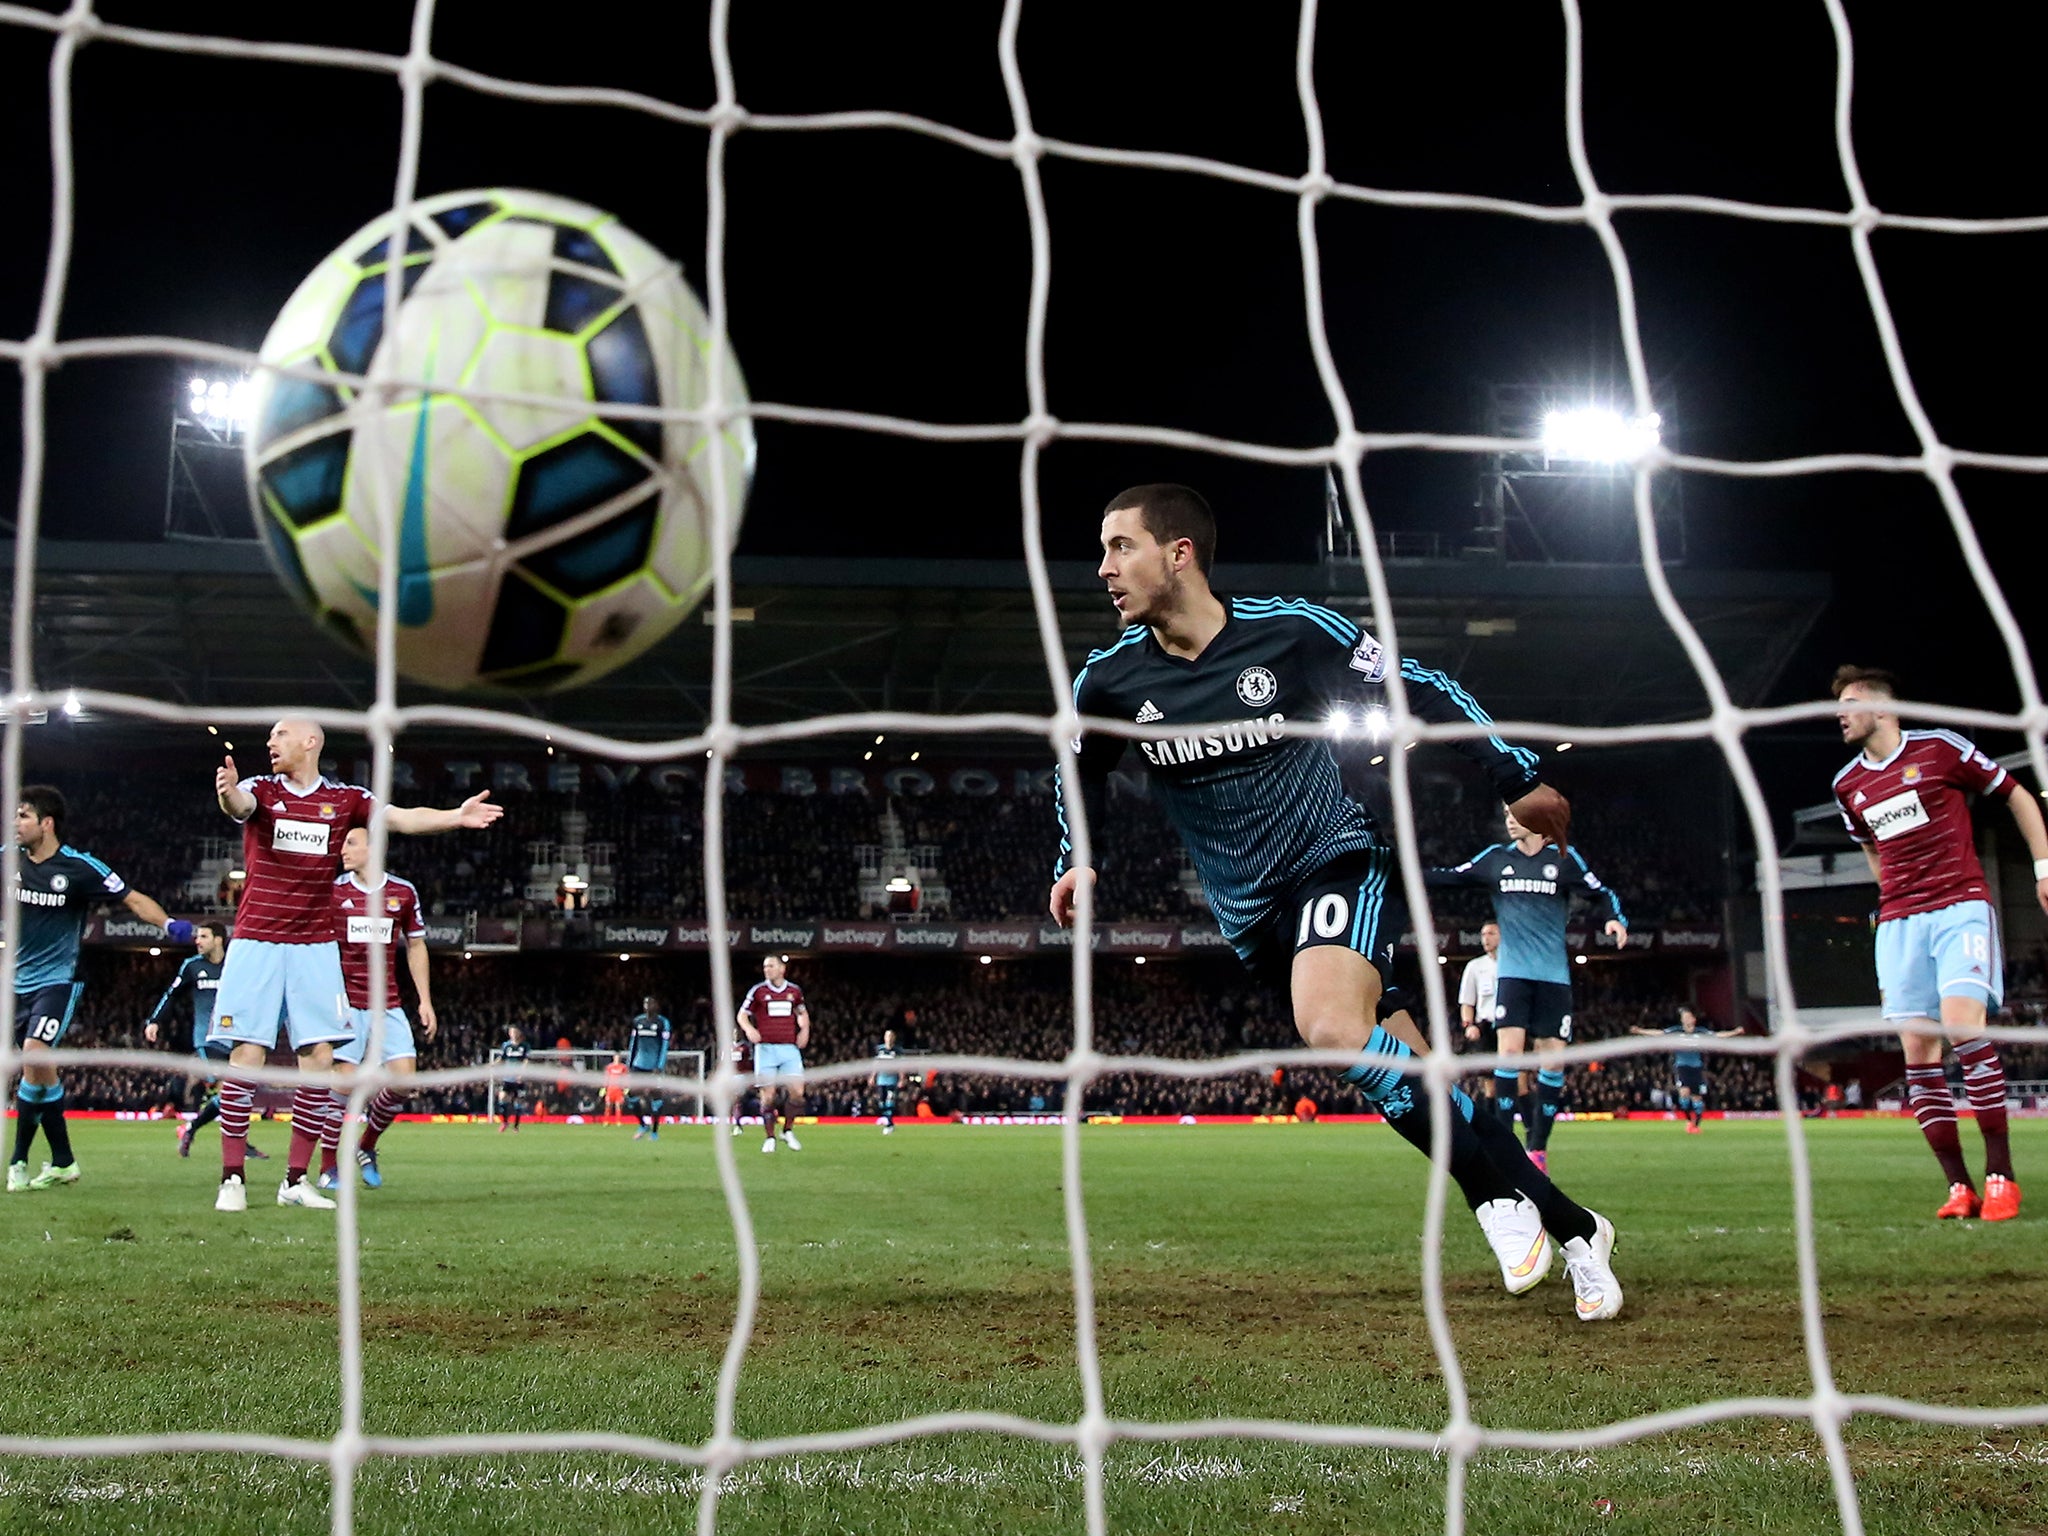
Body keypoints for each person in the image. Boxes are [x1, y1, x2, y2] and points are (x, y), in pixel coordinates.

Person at [1050, 483, 1622, 1320]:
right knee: (1420, 1076)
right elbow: (1079, 772)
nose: (1103, 568)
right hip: (1250, 912)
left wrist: (1516, 775)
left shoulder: (1288, 631)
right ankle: (1573, 1228)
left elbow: (1416, 684)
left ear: (1180, 554)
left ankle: (1499, 1203)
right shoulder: (1108, 683)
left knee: (1328, 1026)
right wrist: (1082, 861)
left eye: (1119, 547)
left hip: (1337, 860)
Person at [206, 717, 502, 1214]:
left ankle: (295, 1180)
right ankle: (232, 1177)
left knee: (320, 1061)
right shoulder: (261, 788)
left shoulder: (348, 801)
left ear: (310, 741)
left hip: (316, 947)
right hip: (256, 940)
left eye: (280, 735)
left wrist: (456, 815)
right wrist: (227, 793)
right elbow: (240, 805)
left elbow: (403, 818)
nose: (270, 742)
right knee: (247, 1056)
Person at [1831, 665, 2046, 1221]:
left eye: (1849, 703)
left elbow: (2017, 796)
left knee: (1963, 1028)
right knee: (1918, 1053)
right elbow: (1872, 849)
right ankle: (1960, 1187)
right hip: (1901, 922)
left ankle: (2003, 1177)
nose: (1840, 714)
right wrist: (1894, 896)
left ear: (1882, 709)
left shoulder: (1941, 750)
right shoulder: (1847, 785)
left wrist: (2044, 869)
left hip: (1960, 906)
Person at [10, 786, 190, 1192]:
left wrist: (167, 926)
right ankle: (63, 1161)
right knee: (41, 1070)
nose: (15, 824)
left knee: (33, 1056)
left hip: (58, 980)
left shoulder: (79, 867)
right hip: (15, 981)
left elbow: (132, 898)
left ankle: (18, 1160)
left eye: (23, 816)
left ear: (46, 823)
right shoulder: (10, 859)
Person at [1426, 810, 1628, 1171]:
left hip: (1553, 977)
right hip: (1513, 977)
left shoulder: (1564, 860)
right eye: (1504, 813)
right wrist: (1398, 870)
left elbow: (1602, 892)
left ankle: (1537, 1148)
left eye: (1516, 813)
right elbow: (1449, 877)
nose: (1508, 819)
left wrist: (1615, 918)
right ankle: (1505, 1147)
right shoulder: (1496, 858)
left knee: (1551, 1062)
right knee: (1509, 1055)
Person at [314, 827, 436, 1191]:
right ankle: (327, 1166)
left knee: (404, 1079)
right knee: (344, 1083)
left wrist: (425, 1000)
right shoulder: (335, 892)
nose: (343, 849)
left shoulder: (402, 892)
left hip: (388, 1004)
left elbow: (416, 946)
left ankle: (366, 1146)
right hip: (347, 1004)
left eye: (351, 842)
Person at [144, 921, 268, 1162]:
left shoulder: (235, 966)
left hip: (235, 1038)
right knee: (230, 1089)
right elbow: (172, 994)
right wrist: (154, 1020)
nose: (197, 941)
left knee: (236, 1093)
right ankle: (232, 1143)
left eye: (203, 936)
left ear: (219, 939)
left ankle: (193, 1129)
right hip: (207, 1039)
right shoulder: (192, 966)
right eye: (197, 936)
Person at [738, 954, 810, 1154]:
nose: (766, 969)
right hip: (766, 1049)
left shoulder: (794, 991)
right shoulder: (758, 991)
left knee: (797, 1093)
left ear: (781, 969)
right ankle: (769, 1137)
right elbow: (742, 1014)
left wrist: (804, 1031)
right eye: (765, 966)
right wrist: (749, 1029)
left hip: (789, 1048)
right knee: (768, 1096)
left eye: (770, 966)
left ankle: (787, 1131)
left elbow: (802, 1013)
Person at [1629, 1006, 1742, 1133]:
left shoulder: (1701, 1032)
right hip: (1682, 1067)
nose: (1686, 1019)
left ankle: (1696, 1125)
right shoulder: (1677, 1031)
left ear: (1693, 1019)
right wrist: (1640, 1031)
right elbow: (1659, 1033)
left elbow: (1718, 1035)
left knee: (1697, 1100)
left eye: (1688, 1017)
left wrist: (1735, 1032)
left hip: (1697, 1068)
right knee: (1684, 1096)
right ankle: (1689, 1121)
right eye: (1684, 1017)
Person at [626, 995, 671, 1140]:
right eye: (645, 1003)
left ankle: (655, 1132)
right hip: (638, 1065)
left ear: (656, 1005)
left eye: (650, 1003)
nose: (647, 1005)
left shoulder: (662, 1022)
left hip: (654, 1067)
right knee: (631, 1095)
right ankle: (643, 1125)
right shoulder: (638, 1021)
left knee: (655, 1097)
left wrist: (660, 1066)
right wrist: (629, 1063)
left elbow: (664, 1046)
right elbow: (633, 1044)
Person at [498, 1024, 531, 1132]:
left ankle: (516, 1126)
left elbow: (526, 1060)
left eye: (515, 1032)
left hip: (518, 1078)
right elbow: (502, 1058)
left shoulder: (525, 1046)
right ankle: (505, 1122)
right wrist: (493, 1064)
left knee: (518, 1103)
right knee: (502, 1098)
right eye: (511, 1032)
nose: (513, 1034)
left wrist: (522, 1073)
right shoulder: (506, 1045)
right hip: (507, 1078)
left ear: (519, 1033)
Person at [874, 1027, 902, 1134]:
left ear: (894, 1038)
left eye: (891, 1036)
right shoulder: (880, 1049)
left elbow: (900, 1066)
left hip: (892, 1079)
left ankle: (889, 1124)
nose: (889, 1038)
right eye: (887, 1036)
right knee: (881, 1101)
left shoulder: (897, 1051)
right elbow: (876, 1064)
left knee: (890, 1101)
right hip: (881, 1079)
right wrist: (873, 1076)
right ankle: (886, 1118)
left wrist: (902, 1078)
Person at [603, 1054, 628, 1122]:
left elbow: (625, 1078)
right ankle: (606, 1121)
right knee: (608, 1105)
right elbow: (606, 1077)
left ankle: (618, 1121)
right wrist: (604, 1087)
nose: (617, 1059)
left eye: (618, 1058)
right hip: (610, 1089)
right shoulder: (609, 1067)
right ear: (613, 1058)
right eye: (616, 1057)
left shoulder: (623, 1067)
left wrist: (625, 1088)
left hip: (619, 1089)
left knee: (618, 1105)